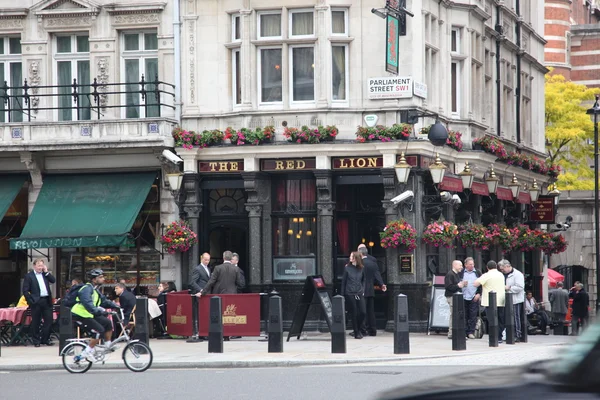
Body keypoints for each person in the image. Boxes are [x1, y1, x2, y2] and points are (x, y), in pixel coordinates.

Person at [71, 269, 120, 362]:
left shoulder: (95, 290)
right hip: (80, 315)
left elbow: (104, 301)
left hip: (89, 314)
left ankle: (108, 345)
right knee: (98, 331)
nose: (103, 279)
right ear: (94, 279)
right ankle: (86, 353)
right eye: (100, 277)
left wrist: (116, 306)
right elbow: (88, 304)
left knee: (107, 323)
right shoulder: (86, 289)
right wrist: (100, 312)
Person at [22, 258, 56, 347]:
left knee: (49, 320)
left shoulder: (45, 274)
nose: (40, 267)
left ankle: (45, 339)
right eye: (39, 265)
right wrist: (30, 301)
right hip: (36, 301)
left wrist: (47, 271)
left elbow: (53, 280)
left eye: (42, 265)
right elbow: (25, 290)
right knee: (36, 322)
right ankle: (36, 340)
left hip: (46, 300)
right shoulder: (29, 276)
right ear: (34, 266)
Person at [473, 260, 506, 344]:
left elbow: (476, 283)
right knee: (500, 319)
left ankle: (494, 337)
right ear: (496, 267)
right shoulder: (501, 274)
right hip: (501, 300)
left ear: (487, 267)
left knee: (492, 320)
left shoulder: (487, 275)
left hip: (490, 302)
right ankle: (499, 337)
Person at [359, 247, 386, 336]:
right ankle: (373, 330)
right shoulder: (373, 263)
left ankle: (363, 330)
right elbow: (377, 275)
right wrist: (382, 284)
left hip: (361, 290)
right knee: (371, 311)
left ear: (360, 253)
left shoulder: (359, 263)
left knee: (362, 311)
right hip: (370, 290)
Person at [341, 251, 366, 339]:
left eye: (352, 256)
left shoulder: (362, 268)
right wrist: (342, 295)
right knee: (354, 312)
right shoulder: (347, 268)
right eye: (350, 256)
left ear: (356, 258)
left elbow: (363, 280)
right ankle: (356, 332)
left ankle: (358, 328)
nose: (350, 258)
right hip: (349, 292)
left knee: (363, 312)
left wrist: (363, 289)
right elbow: (343, 282)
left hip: (359, 292)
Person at [499, 259, 525, 341]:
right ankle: (508, 334)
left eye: (502, 269)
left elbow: (520, 287)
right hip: (506, 299)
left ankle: (517, 334)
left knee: (515, 317)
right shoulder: (503, 275)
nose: (502, 271)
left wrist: (509, 288)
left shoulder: (517, 274)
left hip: (515, 300)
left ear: (507, 266)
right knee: (507, 317)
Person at [444, 260, 466, 339]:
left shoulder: (456, 274)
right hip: (452, 297)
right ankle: (451, 333)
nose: (462, 267)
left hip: (456, 297)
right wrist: (458, 286)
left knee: (456, 314)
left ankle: (456, 332)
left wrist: (462, 284)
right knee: (453, 315)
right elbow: (448, 287)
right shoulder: (450, 274)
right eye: (460, 265)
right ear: (455, 265)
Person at [462, 257, 482, 339]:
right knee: (464, 315)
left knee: (473, 315)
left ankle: (471, 332)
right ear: (465, 265)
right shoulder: (461, 272)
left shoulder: (477, 272)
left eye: (473, 264)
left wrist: (479, 294)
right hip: (463, 296)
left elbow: (482, 283)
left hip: (473, 297)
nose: (472, 266)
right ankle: (464, 332)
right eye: (470, 264)